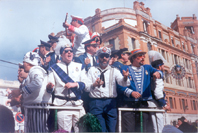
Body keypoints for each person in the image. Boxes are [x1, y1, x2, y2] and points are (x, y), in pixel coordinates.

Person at [85, 47, 131, 132]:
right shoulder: (92, 70)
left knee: (112, 129)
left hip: (110, 103)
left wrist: (125, 77)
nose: (104, 58)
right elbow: (86, 87)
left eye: (106, 56)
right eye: (102, 56)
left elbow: (124, 83)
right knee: (100, 129)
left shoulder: (114, 70)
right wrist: (94, 84)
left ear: (109, 57)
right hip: (96, 102)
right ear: (98, 58)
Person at [47, 41, 86, 132]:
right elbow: (50, 86)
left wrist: (75, 84)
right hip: (62, 106)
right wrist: (49, 87)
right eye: (66, 51)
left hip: (77, 105)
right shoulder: (54, 67)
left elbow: (85, 85)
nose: (69, 52)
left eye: (71, 51)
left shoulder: (80, 66)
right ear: (61, 54)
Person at [118, 49, 161, 132]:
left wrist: (158, 73)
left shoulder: (147, 67)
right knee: (129, 129)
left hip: (143, 103)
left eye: (143, 56)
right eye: (140, 56)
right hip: (128, 103)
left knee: (142, 129)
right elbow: (119, 85)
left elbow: (158, 71)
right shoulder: (124, 68)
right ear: (133, 58)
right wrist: (131, 92)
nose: (143, 58)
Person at [22, 51, 52, 132]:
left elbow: (38, 83)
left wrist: (22, 91)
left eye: (23, 62)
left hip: (37, 107)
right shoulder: (35, 71)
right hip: (34, 106)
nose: (23, 64)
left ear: (28, 63)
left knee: (38, 131)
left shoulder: (35, 70)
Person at [148, 59, 171, 133]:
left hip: (150, 102)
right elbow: (158, 92)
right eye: (163, 66)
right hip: (156, 103)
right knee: (160, 127)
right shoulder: (158, 74)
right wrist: (164, 104)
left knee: (155, 127)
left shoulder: (150, 73)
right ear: (160, 67)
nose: (164, 68)